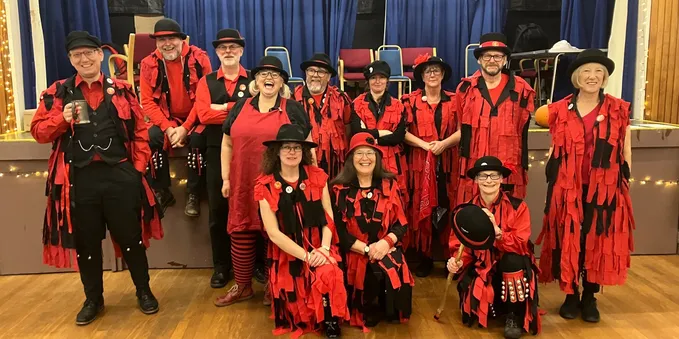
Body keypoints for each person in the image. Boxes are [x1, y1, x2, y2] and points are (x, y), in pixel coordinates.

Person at [30, 31, 163, 325]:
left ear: (100, 55)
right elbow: (38, 132)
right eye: (77, 55)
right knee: (87, 243)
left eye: (89, 53)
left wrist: (137, 169)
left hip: (120, 176)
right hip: (79, 180)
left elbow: (141, 132)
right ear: (70, 60)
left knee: (131, 239)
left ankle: (144, 291)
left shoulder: (123, 90)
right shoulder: (57, 93)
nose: (84, 59)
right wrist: (60, 120)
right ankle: (94, 299)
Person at [537, 49, 634, 323]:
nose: (592, 77)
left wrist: (625, 183)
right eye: (587, 72)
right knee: (570, 241)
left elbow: (625, 149)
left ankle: (590, 296)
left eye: (598, 72)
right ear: (577, 77)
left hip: (605, 190)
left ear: (604, 78)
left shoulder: (619, 108)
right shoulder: (557, 110)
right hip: (568, 189)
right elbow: (553, 150)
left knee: (597, 241)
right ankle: (570, 293)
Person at [214, 56, 313, 307]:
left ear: (282, 82)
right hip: (242, 181)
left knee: (275, 233)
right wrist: (226, 177)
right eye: (263, 74)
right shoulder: (240, 106)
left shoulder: (292, 108)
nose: (268, 78)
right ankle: (243, 286)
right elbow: (226, 143)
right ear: (255, 81)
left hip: (279, 184)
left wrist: (308, 180)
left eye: (275, 75)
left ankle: (273, 284)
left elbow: (309, 147)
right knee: (241, 230)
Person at [256, 124, 348, 338]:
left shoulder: (318, 176)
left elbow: (328, 217)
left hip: (319, 245)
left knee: (329, 271)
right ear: (276, 152)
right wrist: (306, 256)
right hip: (289, 253)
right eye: (286, 147)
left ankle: (330, 319)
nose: (291, 152)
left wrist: (324, 249)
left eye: (297, 148)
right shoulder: (265, 185)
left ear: (303, 152)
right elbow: (273, 233)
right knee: (298, 314)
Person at [447, 156, 541, 339]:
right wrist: (456, 262)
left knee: (513, 259)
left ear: (501, 178)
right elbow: (460, 246)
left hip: (511, 269)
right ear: (475, 180)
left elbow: (521, 243)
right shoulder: (466, 211)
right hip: (481, 269)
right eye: (483, 176)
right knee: (470, 319)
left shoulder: (518, 207)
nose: (488, 180)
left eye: (493, 175)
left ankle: (514, 315)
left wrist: (498, 233)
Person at [332, 132, 413, 328]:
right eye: (360, 153)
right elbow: (338, 232)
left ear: (377, 158)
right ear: (351, 159)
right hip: (353, 253)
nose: (365, 158)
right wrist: (368, 250)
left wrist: (386, 243)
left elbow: (401, 224)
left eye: (370, 153)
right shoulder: (338, 189)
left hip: (385, 249)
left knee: (394, 307)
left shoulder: (390, 184)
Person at [140, 18, 213, 216]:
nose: (167, 44)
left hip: (196, 117)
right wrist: (168, 128)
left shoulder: (200, 59)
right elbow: (147, 102)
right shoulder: (148, 64)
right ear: (155, 43)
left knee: (198, 138)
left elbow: (204, 98)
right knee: (152, 137)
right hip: (166, 118)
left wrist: (185, 127)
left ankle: (194, 193)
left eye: (171, 38)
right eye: (161, 40)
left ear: (182, 39)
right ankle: (162, 190)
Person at [195, 28, 250, 288]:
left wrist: (224, 107)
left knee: (254, 207)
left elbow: (256, 112)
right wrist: (236, 109)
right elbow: (204, 116)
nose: (228, 51)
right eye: (223, 48)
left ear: (241, 51)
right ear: (217, 52)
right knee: (218, 210)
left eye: (233, 47)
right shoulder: (205, 82)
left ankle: (255, 265)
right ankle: (221, 266)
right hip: (216, 149)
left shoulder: (253, 80)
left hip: (249, 151)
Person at [456, 32, 535, 203]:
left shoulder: (523, 90)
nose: (492, 60)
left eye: (498, 56)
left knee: (508, 218)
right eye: (487, 56)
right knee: (474, 217)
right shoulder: (464, 89)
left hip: (509, 168)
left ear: (505, 59)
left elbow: (523, 129)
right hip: (474, 167)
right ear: (479, 59)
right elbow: (461, 128)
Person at [401, 55, 460, 277]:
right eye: (428, 71)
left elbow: (464, 129)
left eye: (436, 70)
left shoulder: (456, 101)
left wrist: (443, 144)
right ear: (421, 76)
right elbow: (402, 132)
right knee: (421, 207)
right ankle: (424, 255)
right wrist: (424, 145)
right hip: (419, 164)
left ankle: (447, 256)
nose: (432, 74)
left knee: (447, 205)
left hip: (447, 164)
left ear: (443, 75)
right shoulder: (409, 101)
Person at [350, 60, 408, 204]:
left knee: (392, 200)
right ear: (368, 81)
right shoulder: (356, 103)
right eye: (373, 78)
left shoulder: (398, 105)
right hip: (365, 160)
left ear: (387, 81)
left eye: (381, 77)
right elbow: (357, 133)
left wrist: (372, 136)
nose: (377, 81)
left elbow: (398, 137)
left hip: (392, 162)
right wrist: (384, 132)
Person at [293, 53, 352, 179]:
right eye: (311, 70)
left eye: (321, 72)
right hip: (304, 160)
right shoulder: (293, 99)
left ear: (329, 76)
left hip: (335, 162)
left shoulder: (342, 99)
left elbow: (348, 127)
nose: (315, 75)